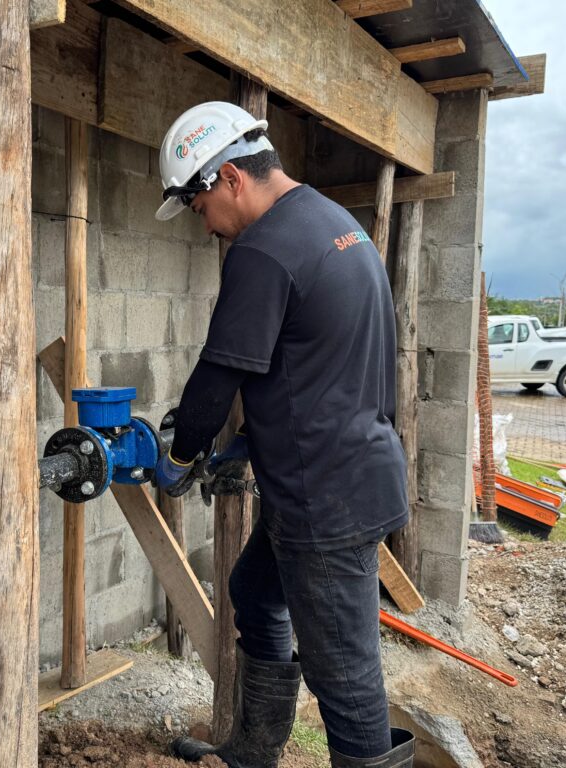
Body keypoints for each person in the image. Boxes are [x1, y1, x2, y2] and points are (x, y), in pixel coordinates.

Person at [152, 102, 415, 768]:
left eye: (196, 202)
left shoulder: (263, 250)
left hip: (320, 499)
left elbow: (218, 378)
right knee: (255, 592)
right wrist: (247, 446)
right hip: (356, 472)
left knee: (345, 678)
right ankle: (251, 751)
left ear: (231, 177)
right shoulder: (334, 224)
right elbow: (317, 364)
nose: (202, 222)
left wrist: (180, 454)